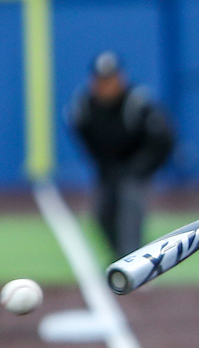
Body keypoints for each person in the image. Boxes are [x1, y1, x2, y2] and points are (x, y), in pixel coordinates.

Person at [69, 51, 175, 260]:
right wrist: (104, 166)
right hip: (109, 169)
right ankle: (119, 256)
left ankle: (132, 260)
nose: (106, 86)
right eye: (101, 80)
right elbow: (85, 140)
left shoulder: (138, 103)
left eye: (110, 79)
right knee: (102, 214)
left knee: (130, 209)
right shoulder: (84, 108)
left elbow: (163, 140)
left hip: (136, 167)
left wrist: (139, 168)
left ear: (121, 78)